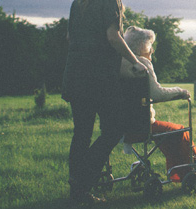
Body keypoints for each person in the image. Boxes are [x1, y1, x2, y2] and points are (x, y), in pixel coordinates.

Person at [62, 0, 148, 205]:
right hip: (98, 79)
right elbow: (113, 36)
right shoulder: (109, 1)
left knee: (81, 133)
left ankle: (78, 192)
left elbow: (69, 37)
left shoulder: (78, 2)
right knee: (114, 130)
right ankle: (82, 181)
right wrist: (135, 62)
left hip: (75, 75)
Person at [119, 26, 196, 185]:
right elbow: (157, 94)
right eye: (150, 45)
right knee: (180, 131)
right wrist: (180, 92)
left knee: (168, 133)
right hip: (142, 126)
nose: (152, 50)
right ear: (141, 46)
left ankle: (178, 174)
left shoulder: (118, 63)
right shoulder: (142, 64)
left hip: (121, 126)